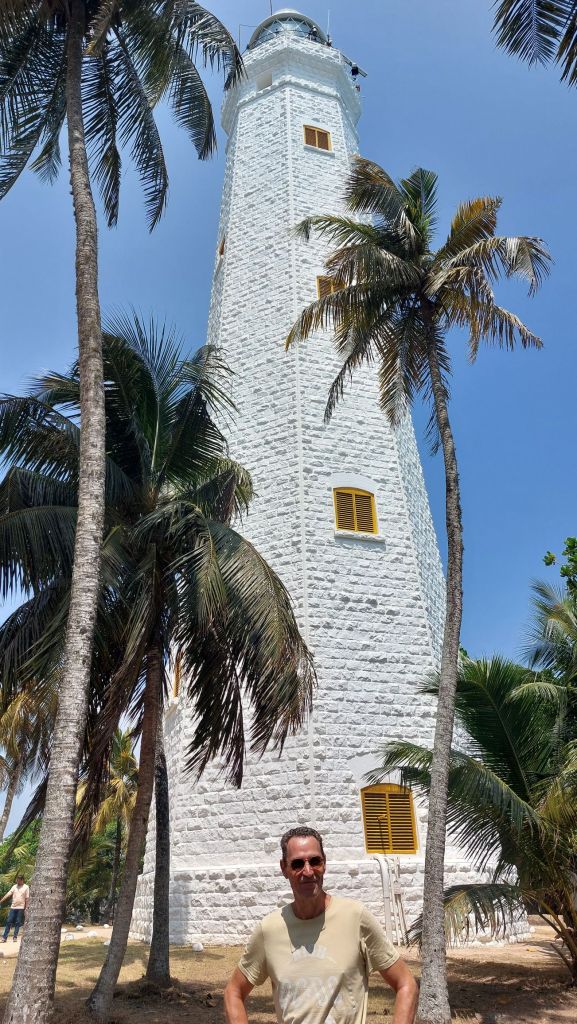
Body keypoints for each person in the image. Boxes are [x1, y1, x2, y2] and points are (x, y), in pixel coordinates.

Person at [224, 826, 418, 1024]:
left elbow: (406, 984)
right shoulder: (269, 930)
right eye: (297, 864)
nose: (308, 871)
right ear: (284, 869)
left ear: (324, 863)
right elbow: (234, 992)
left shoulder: (355, 917)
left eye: (315, 861)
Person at [0, 875, 29, 942]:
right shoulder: (14, 886)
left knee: (18, 922)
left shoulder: (26, 887)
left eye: (18, 880)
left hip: (21, 907)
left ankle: (15, 937)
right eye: (17, 880)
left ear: (22, 880)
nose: (17, 882)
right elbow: (8, 894)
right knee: (8, 921)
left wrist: (26, 908)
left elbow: (27, 898)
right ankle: (4, 937)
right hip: (13, 907)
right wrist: (1, 901)